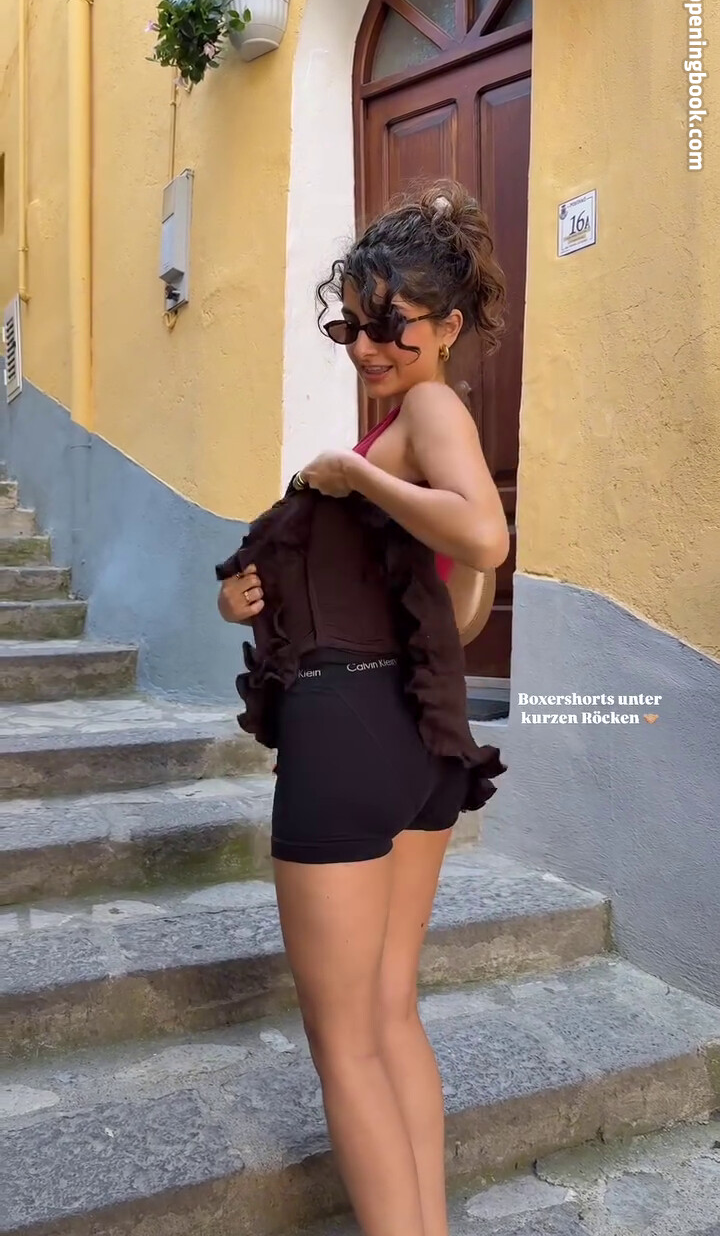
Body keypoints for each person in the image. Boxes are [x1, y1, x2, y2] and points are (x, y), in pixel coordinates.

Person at [217, 181, 510, 1236]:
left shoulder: (426, 412)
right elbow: (459, 606)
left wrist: (350, 472)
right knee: (389, 1014)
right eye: (352, 325)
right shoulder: (414, 424)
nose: (368, 346)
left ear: (449, 327)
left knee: (345, 1040)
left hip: (349, 734)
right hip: (417, 736)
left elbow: (485, 536)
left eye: (391, 325)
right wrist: (245, 596)